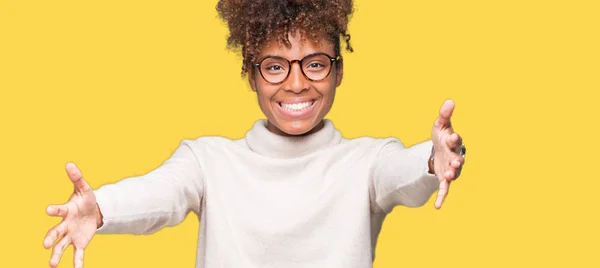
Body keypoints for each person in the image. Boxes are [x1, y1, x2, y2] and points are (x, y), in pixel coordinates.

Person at [42, 0, 467, 267]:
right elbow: (162, 193)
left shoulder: (367, 162)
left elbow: (402, 173)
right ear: (252, 75)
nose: (297, 84)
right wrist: (102, 209)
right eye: (275, 66)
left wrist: (432, 161)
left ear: (338, 71)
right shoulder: (207, 161)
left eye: (315, 63)